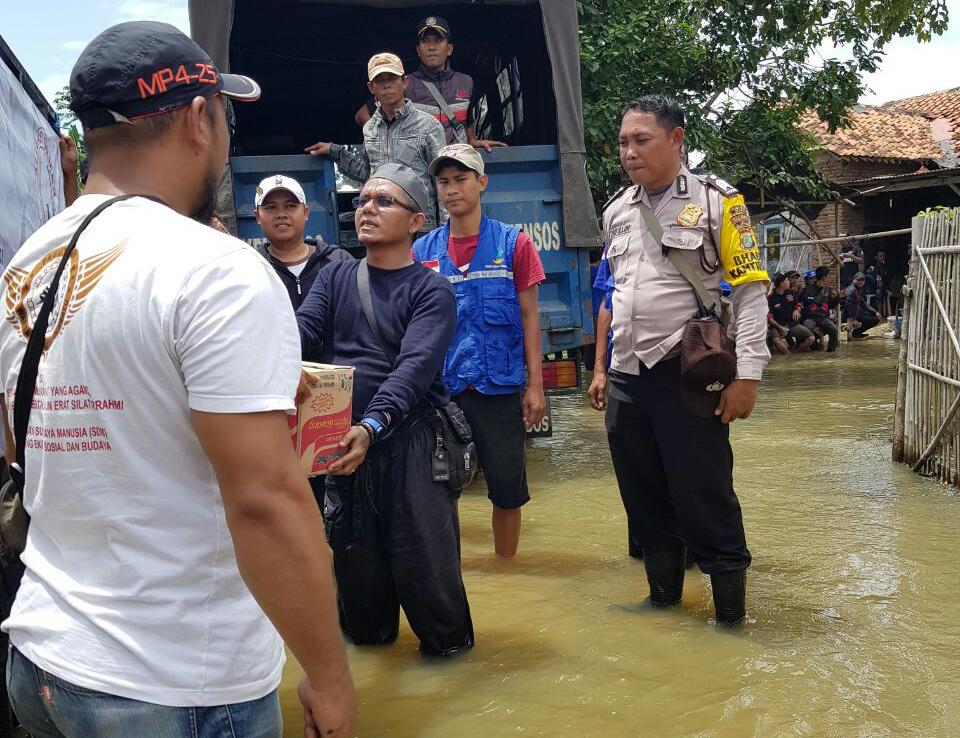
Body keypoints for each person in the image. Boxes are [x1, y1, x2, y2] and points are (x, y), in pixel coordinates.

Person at [0, 22, 355, 738]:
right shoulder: (216, 269)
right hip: (174, 682)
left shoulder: (28, 264)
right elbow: (264, 502)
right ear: (199, 118)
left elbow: (29, 440)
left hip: (43, 658)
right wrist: (330, 676)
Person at [586, 95, 770, 626]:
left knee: (704, 496)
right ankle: (662, 602)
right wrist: (601, 368)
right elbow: (614, 293)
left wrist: (748, 376)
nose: (629, 152)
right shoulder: (616, 210)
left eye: (642, 140)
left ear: (676, 139)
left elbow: (751, 293)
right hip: (627, 375)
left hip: (687, 374)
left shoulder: (720, 202)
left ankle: (730, 620)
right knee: (643, 498)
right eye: (623, 142)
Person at [297, 163, 474, 657]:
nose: (367, 209)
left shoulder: (431, 291)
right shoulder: (335, 276)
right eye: (362, 201)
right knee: (361, 601)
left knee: (431, 586)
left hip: (412, 446)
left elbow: (413, 371)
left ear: (416, 222)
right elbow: (302, 331)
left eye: (384, 201)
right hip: (342, 447)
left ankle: (451, 671)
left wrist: (371, 426)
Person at [412, 144, 546, 558]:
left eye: (461, 179)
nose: (451, 189)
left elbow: (530, 317)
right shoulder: (423, 252)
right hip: (444, 391)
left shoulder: (514, 244)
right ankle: (451, 570)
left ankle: (507, 570)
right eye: (443, 182)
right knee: (443, 484)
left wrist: (536, 386)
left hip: (499, 387)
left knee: (506, 489)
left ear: (482, 182)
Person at [306, 53, 446, 230]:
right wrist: (334, 151)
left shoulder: (428, 125)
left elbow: (442, 179)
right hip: (382, 223)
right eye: (380, 80)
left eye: (392, 78)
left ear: (405, 82)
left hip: (419, 226)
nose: (387, 85)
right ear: (371, 88)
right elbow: (367, 172)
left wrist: (447, 230)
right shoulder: (370, 128)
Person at [355, 17, 507, 152]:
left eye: (438, 40)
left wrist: (472, 140)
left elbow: (467, 120)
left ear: (449, 49)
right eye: (425, 41)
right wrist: (385, 141)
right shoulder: (405, 83)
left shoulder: (466, 82)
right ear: (418, 50)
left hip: (455, 163)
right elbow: (362, 115)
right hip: (420, 165)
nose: (431, 47)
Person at [253, 174, 352, 310]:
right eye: (270, 207)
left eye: (290, 206)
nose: (281, 214)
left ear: (305, 213)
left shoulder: (339, 261)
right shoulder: (250, 268)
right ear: (258, 216)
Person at [767, 273, 815, 353]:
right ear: (782, 284)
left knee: (811, 338)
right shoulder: (771, 298)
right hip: (777, 325)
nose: (789, 282)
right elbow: (770, 318)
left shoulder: (790, 294)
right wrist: (780, 328)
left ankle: (795, 354)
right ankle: (788, 355)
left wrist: (797, 310)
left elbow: (798, 305)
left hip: (792, 324)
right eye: (787, 280)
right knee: (775, 339)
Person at [801, 267, 839, 352]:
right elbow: (801, 302)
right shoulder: (807, 289)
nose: (829, 279)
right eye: (828, 276)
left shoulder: (828, 290)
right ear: (824, 278)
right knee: (806, 328)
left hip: (823, 318)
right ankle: (814, 348)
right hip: (810, 317)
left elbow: (830, 305)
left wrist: (838, 298)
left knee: (834, 329)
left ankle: (830, 352)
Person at [843, 271, 881, 337]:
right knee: (875, 319)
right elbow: (848, 306)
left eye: (862, 280)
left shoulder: (856, 289)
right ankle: (856, 333)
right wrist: (852, 319)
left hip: (856, 314)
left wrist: (875, 312)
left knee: (875, 316)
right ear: (853, 280)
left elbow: (863, 303)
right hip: (848, 316)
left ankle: (857, 333)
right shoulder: (851, 290)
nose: (860, 282)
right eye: (858, 280)